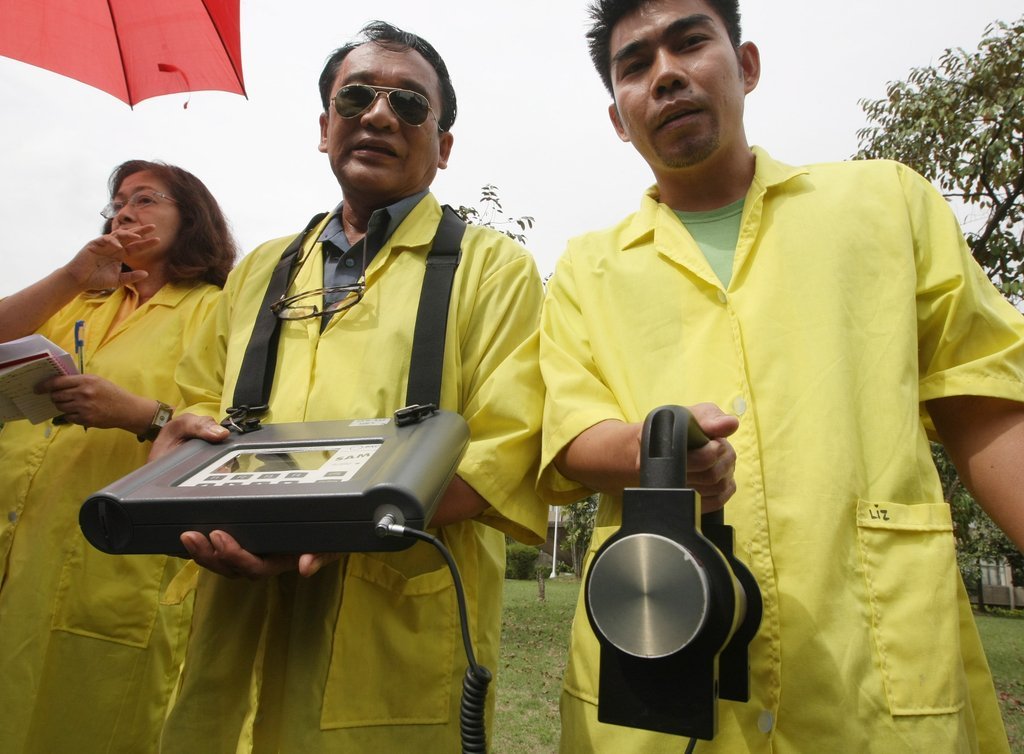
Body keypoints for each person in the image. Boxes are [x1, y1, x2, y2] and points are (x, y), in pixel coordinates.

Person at [538, 1, 1024, 752]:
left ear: (747, 66)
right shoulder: (584, 270)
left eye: (690, 42)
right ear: (618, 118)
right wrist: (656, 454)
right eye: (635, 65)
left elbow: (987, 403)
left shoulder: (886, 203)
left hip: (868, 673)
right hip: (659, 667)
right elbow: (570, 435)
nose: (665, 75)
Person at [153, 21, 548, 752]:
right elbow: (199, 404)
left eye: (410, 104)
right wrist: (176, 455)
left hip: (394, 620)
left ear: (444, 146)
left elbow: (507, 450)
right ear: (324, 126)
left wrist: (339, 528)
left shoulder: (495, 270)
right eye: (356, 97)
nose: (379, 115)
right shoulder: (259, 272)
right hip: (233, 601)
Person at [0, 160, 237, 752]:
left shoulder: (218, 310)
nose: (124, 212)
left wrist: (138, 414)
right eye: (117, 203)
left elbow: (231, 429)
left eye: (145, 199)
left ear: (192, 218)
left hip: (111, 560)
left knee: (92, 724)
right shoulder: (80, 300)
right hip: (18, 546)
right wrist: (72, 275)